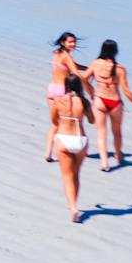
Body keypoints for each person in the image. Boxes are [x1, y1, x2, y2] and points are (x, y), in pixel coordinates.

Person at [83, 40, 132, 171]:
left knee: (101, 132)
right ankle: (118, 155)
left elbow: (84, 78)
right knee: (117, 132)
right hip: (115, 103)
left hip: (100, 100)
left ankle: (104, 162)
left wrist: (91, 92)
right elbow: (126, 91)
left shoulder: (95, 64)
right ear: (115, 51)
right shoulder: (120, 69)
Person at [51, 74, 92, 222]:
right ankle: (74, 202)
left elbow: (54, 120)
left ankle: (73, 207)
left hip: (64, 138)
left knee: (67, 176)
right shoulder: (84, 101)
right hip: (80, 140)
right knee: (76, 174)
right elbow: (92, 120)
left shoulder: (59, 101)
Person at [44, 32, 88, 161]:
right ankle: (68, 150)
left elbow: (72, 66)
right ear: (63, 42)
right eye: (70, 42)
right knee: (65, 122)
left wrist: (88, 68)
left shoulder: (56, 53)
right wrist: (88, 84)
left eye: (74, 42)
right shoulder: (67, 56)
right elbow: (75, 72)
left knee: (54, 123)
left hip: (52, 89)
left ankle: (48, 153)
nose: (73, 44)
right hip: (62, 91)